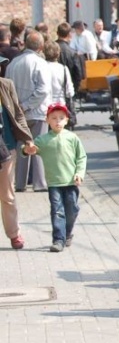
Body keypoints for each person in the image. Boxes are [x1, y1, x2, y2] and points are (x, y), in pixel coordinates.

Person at [23, 103, 87, 252]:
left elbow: (81, 157)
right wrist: (27, 149)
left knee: (72, 209)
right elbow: (29, 149)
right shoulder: (43, 140)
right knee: (57, 210)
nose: (57, 121)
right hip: (54, 183)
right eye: (54, 118)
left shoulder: (72, 138)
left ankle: (67, 232)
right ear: (47, 121)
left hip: (71, 182)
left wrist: (80, 174)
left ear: (66, 120)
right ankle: (58, 239)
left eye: (61, 118)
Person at [6, 31, 51, 192]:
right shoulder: (40, 63)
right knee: (38, 145)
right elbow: (43, 90)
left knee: (21, 146)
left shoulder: (13, 64)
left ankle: (19, 183)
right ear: (40, 46)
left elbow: (7, 90)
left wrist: (18, 107)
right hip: (37, 111)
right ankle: (39, 182)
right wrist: (28, 105)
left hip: (18, 113)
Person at [0, 58, 34, 249]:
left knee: (7, 194)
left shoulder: (6, 85)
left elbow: (18, 113)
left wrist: (27, 138)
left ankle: (14, 234)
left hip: (7, 146)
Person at [43, 40, 76, 129]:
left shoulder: (42, 67)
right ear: (58, 53)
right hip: (61, 105)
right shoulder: (64, 69)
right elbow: (70, 92)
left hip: (46, 106)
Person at [55, 22, 84, 96]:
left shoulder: (51, 49)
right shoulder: (72, 52)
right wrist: (75, 88)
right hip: (68, 88)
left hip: (53, 87)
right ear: (69, 34)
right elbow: (78, 74)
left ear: (57, 33)